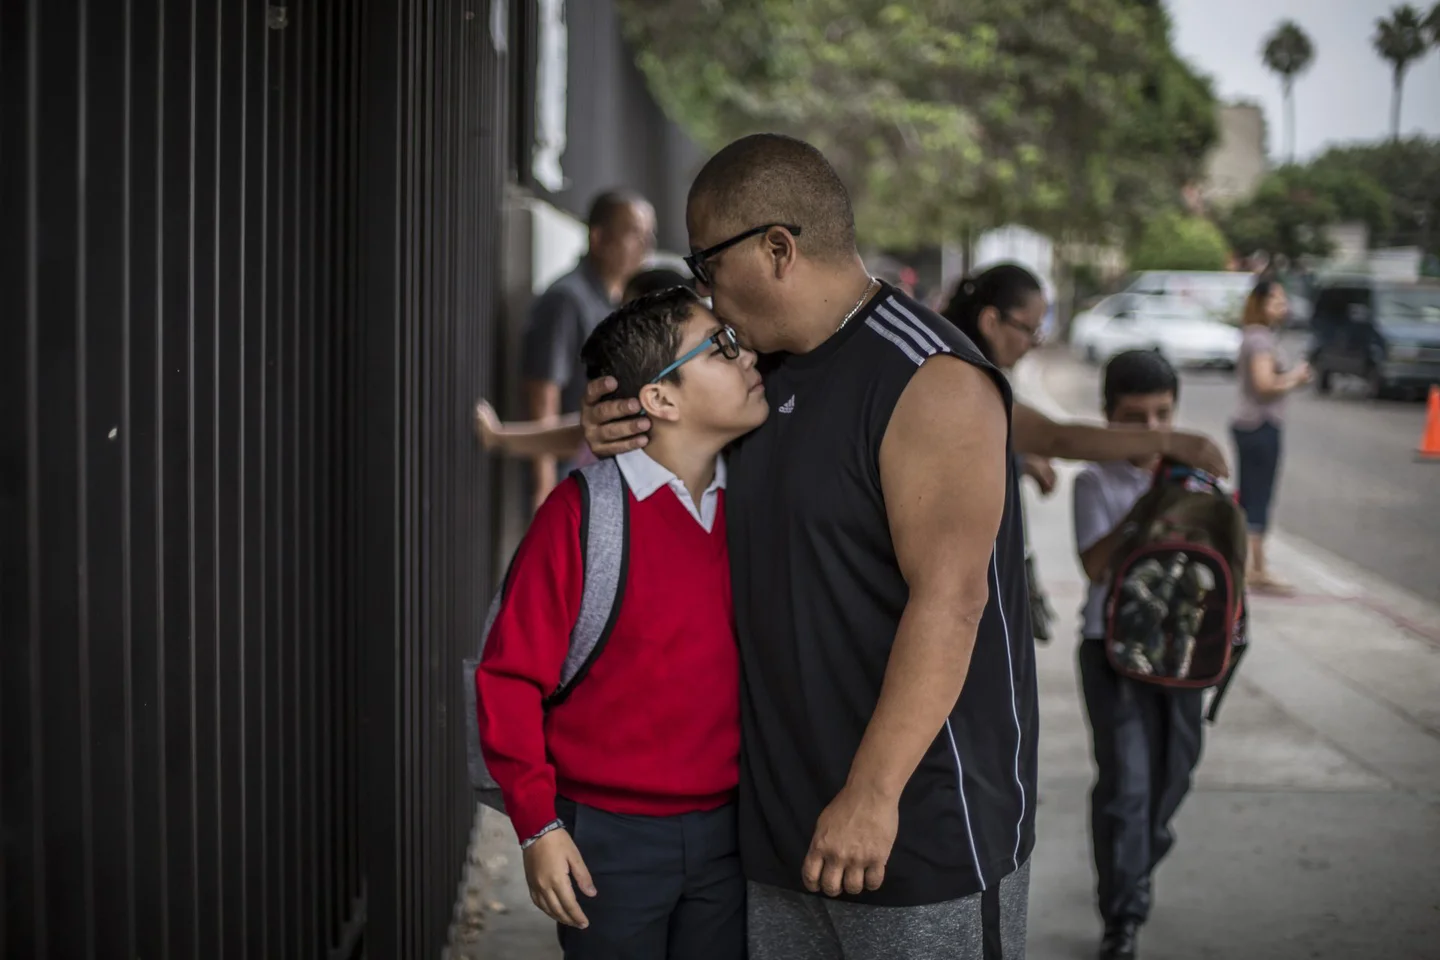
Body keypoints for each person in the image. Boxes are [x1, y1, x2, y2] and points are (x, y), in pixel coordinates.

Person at [584, 133, 1033, 959]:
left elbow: (953, 600)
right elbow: (669, 449)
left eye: (706, 262)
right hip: (776, 827)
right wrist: (604, 425)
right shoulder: (755, 377)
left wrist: (872, 793)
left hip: (915, 829)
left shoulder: (931, 379)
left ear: (777, 249)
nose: (703, 290)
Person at [476, 287, 767, 960]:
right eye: (721, 347)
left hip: (732, 828)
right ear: (660, 399)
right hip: (607, 839)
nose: (748, 354)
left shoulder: (753, 496)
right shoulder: (583, 517)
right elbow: (508, 677)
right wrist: (537, 826)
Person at [1069, 350, 1206, 960]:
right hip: (1111, 650)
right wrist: (1150, 507)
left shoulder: (1196, 477)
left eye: (1163, 415)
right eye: (1134, 418)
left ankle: (1136, 862)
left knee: (1173, 772)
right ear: (1107, 417)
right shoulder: (1094, 482)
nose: (1152, 431)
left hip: (1182, 655)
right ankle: (1122, 916)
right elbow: (1097, 568)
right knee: (1126, 782)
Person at [940, 264, 1229, 479]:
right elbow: (1056, 438)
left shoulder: (963, 369)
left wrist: (1020, 462)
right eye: (1029, 330)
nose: (1033, 344)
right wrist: (1169, 441)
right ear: (990, 322)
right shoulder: (962, 380)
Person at [521, 189, 655, 508]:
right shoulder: (568, 299)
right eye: (634, 233)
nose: (645, 245)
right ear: (598, 237)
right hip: (567, 472)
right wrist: (544, 484)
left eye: (649, 234)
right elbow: (542, 393)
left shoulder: (616, 301)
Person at [1231, 279, 1310, 594]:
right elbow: (1264, 385)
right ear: (1261, 304)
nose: (1284, 307)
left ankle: (1253, 564)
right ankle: (1256, 567)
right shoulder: (1261, 340)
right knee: (1257, 495)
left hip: (1248, 423)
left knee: (1251, 494)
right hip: (1259, 424)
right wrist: (1295, 378)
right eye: (1277, 301)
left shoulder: (1253, 336)